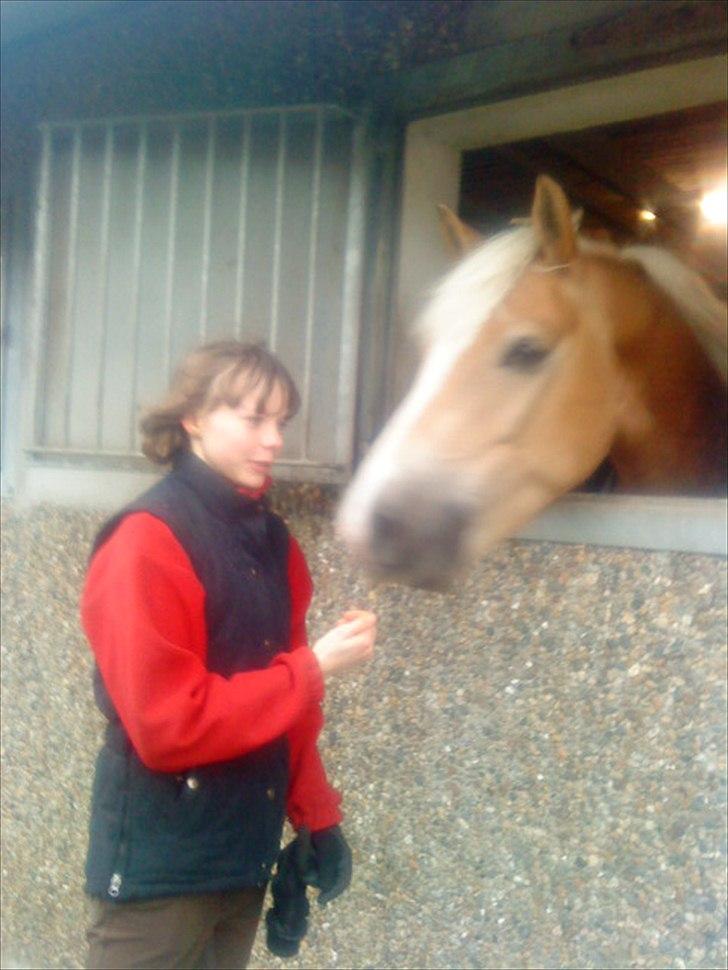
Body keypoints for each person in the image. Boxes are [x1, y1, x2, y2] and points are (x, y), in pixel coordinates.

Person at [81, 340, 377, 969]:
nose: (272, 440)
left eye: (280, 423)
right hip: (157, 882)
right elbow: (167, 725)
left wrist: (316, 818)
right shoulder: (146, 541)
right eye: (252, 419)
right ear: (192, 419)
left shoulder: (273, 544)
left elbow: (288, 707)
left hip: (243, 864)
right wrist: (313, 666)